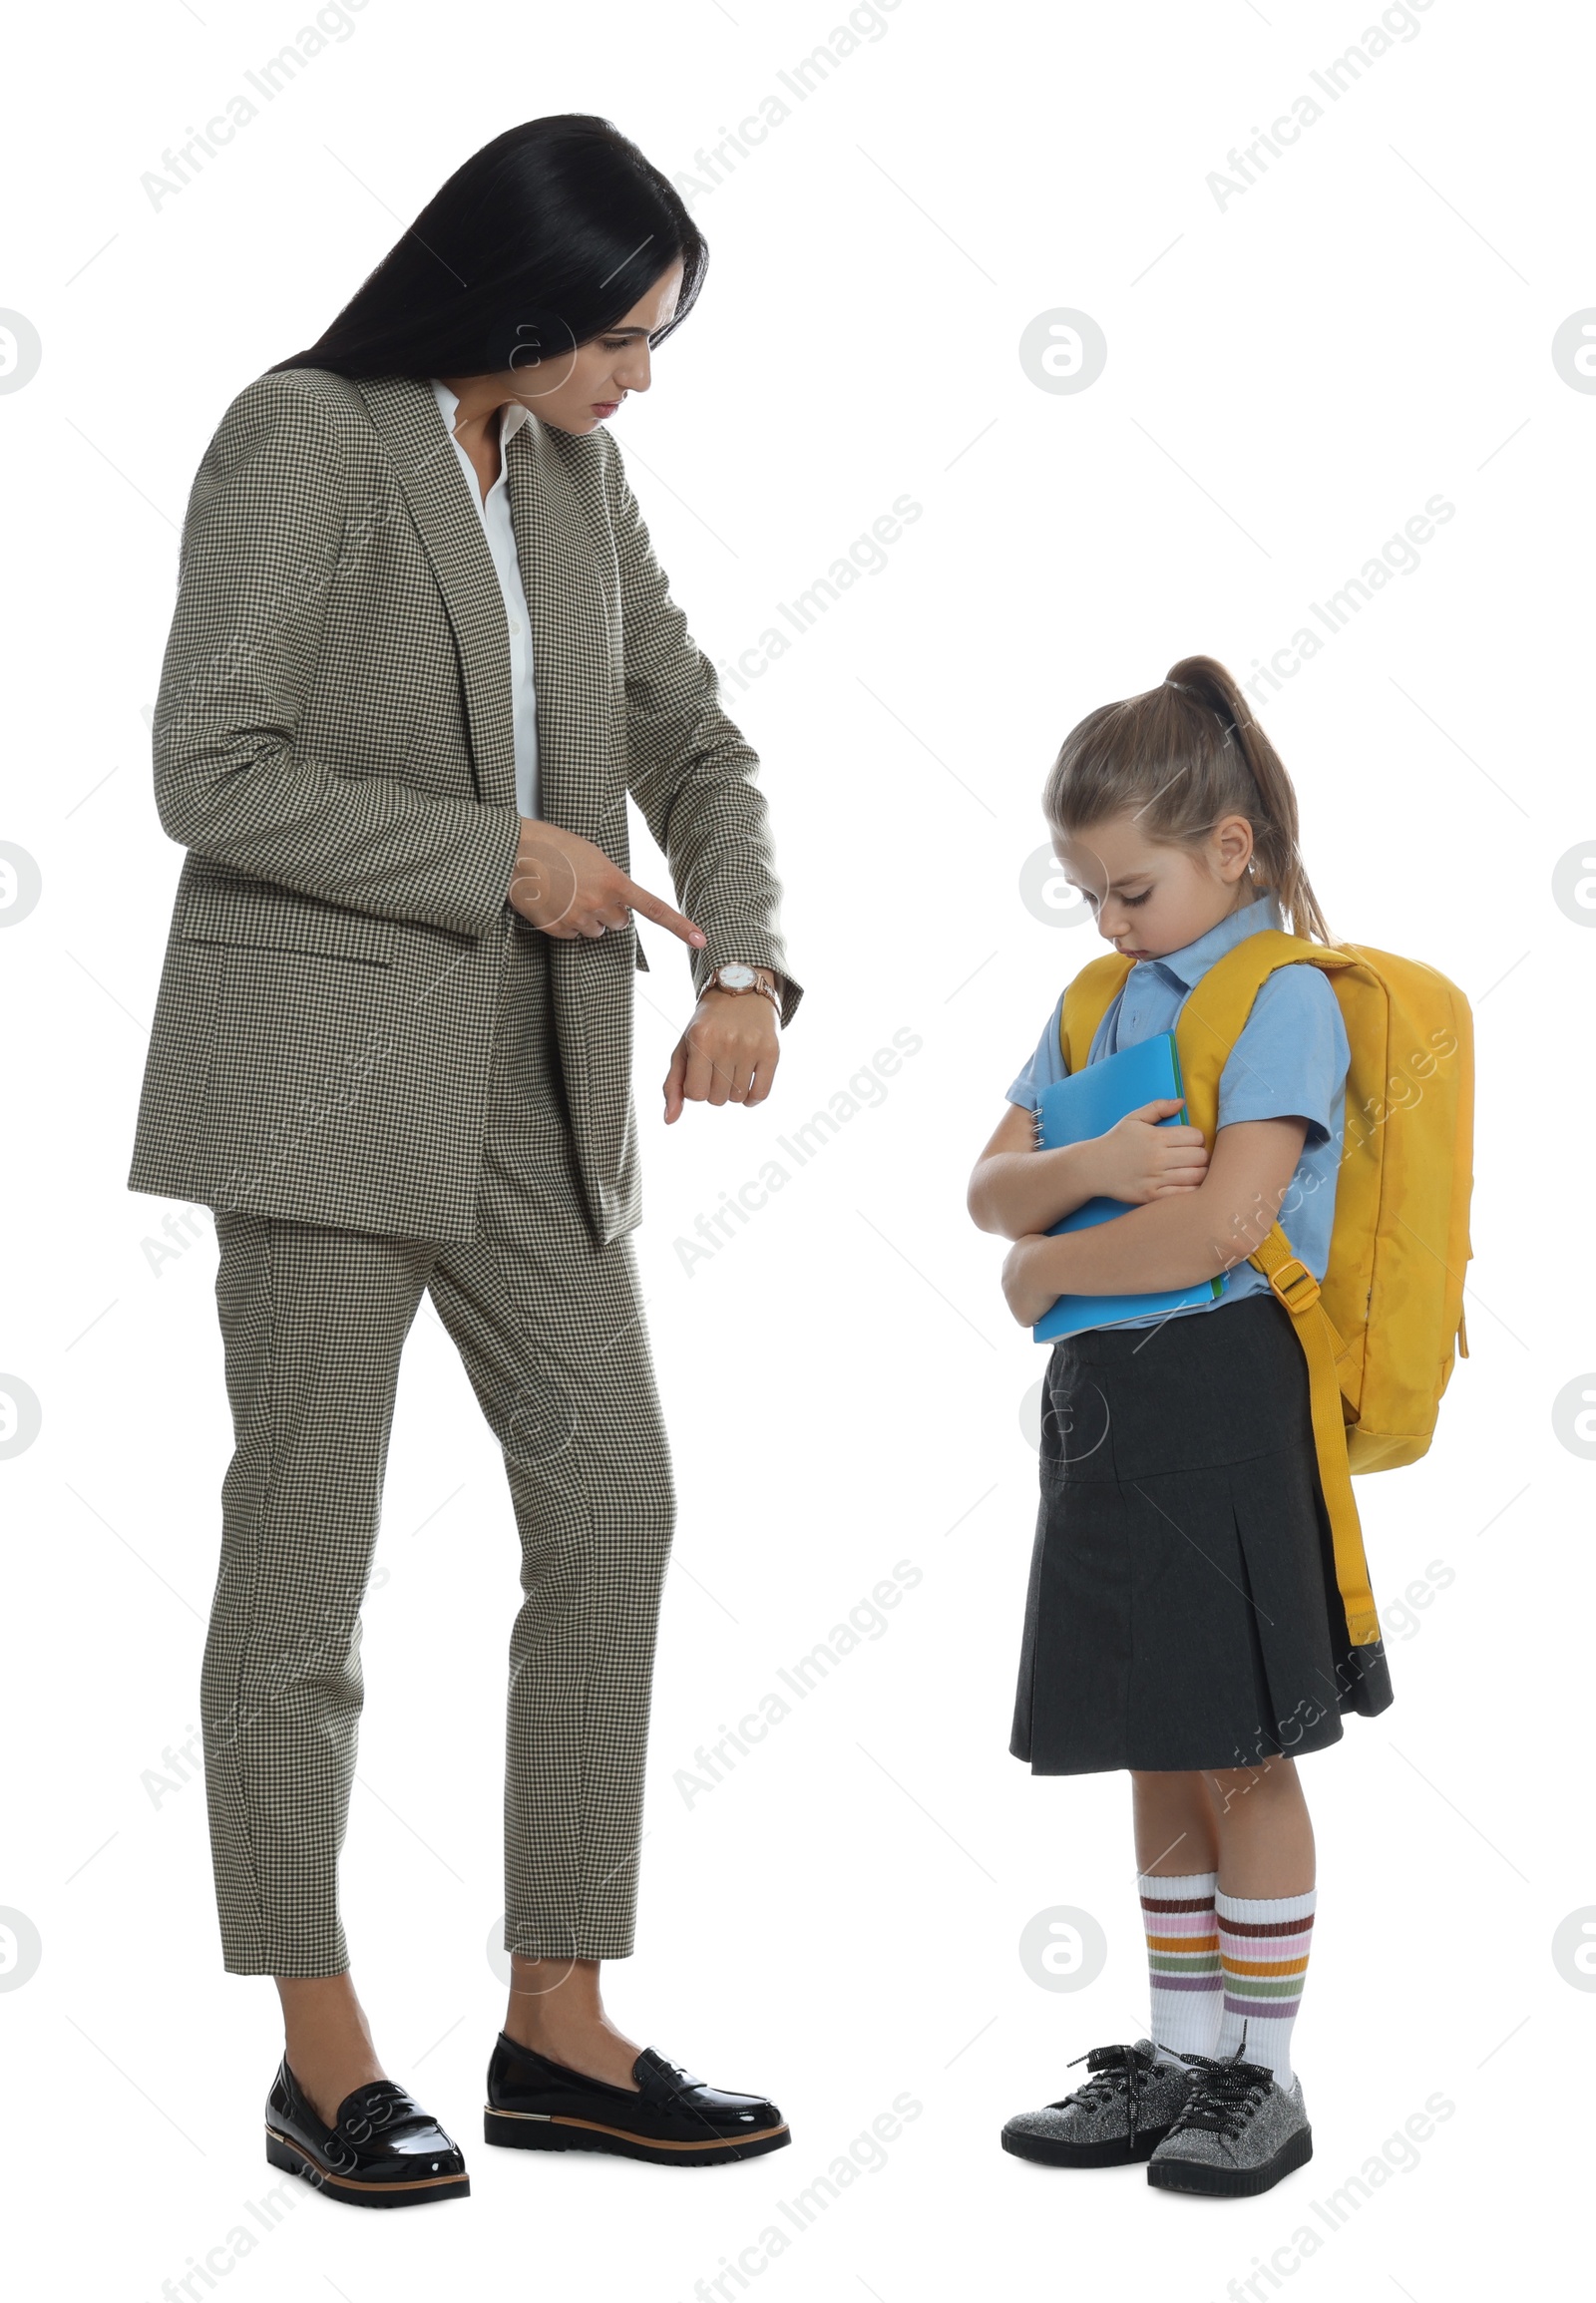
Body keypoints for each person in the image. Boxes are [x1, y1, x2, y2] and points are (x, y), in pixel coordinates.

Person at [127, 115, 799, 2204]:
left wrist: (751, 959)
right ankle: (318, 2050)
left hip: (533, 1078)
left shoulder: (578, 468)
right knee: (304, 1583)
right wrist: (495, 855)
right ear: (516, 298)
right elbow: (207, 771)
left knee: (616, 1510)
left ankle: (556, 2022)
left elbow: (684, 725)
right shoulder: (305, 437)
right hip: (320, 1081)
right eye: (622, 336)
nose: (642, 377)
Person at [967, 655, 1392, 2199]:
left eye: (1129, 888)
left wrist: (1040, 1266)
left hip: (1225, 1401)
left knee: (1243, 1746)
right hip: (1103, 1411)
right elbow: (986, 1181)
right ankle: (1176, 2048)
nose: (1107, 923)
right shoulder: (1094, 1000)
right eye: (1086, 893)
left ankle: (1260, 2073)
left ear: (1233, 852)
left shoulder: (1280, 998)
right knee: (1155, 1731)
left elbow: (1224, 1228)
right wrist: (1052, 1216)